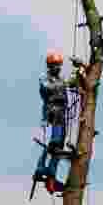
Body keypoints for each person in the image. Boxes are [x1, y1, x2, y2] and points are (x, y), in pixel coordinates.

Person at [34, 49, 77, 194]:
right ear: (49, 67)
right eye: (54, 65)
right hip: (53, 110)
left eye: (58, 65)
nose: (57, 68)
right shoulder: (45, 79)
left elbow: (69, 85)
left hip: (63, 111)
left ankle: (51, 176)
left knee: (59, 147)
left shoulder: (61, 80)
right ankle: (54, 141)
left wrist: (76, 79)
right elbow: (47, 88)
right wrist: (65, 83)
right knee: (57, 138)